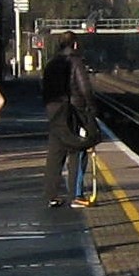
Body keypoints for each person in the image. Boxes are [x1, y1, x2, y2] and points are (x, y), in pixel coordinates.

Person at [42, 34, 97, 207]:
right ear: (74, 44)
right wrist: (90, 109)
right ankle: (76, 195)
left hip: (54, 112)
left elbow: (44, 87)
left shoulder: (51, 63)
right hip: (72, 112)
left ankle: (51, 195)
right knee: (77, 151)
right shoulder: (75, 62)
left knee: (55, 155)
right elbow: (84, 88)